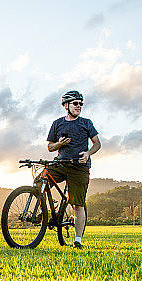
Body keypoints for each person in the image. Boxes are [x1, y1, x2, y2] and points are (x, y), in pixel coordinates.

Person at [44, 90, 101, 249]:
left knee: (78, 205)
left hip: (79, 167)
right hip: (61, 164)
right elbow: (50, 147)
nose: (79, 106)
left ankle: (77, 241)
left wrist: (88, 154)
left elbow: (97, 143)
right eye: (75, 103)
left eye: (81, 104)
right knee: (40, 180)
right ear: (66, 105)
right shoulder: (57, 123)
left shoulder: (86, 123)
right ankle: (45, 210)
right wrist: (59, 144)